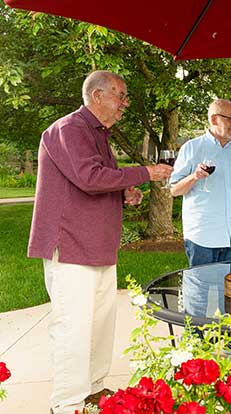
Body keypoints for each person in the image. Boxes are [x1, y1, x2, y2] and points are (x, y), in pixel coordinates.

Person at [28, 70, 173, 414]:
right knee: (73, 327)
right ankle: (66, 403)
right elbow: (90, 178)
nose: (125, 104)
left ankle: (92, 391)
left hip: (98, 248)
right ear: (96, 96)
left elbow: (93, 181)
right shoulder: (70, 129)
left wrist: (124, 192)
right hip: (72, 247)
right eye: (120, 96)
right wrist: (145, 173)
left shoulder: (97, 134)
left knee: (99, 326)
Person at [170, 98, 231, 359]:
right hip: (203, 233)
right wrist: (194, 177)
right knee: (198, 290)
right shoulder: (192, 148)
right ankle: (196, 341)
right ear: (214, 119)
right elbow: (174, 189)